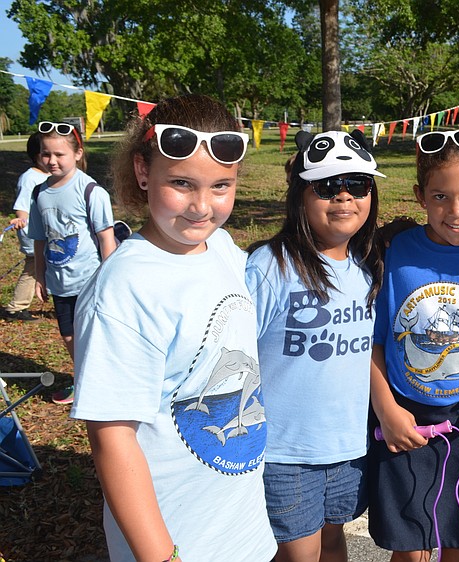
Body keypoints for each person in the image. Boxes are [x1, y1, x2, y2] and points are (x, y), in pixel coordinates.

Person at [70, 94, 276, 562]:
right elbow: (111, 435)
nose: (202, 207)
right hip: (177, 541)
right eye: (182, 183)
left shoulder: (222, 248)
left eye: (221, 186)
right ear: (143, 172)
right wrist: (161, 556)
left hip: (243, 531)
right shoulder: (124, 288)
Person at [369, 128, 459, 561]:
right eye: (440, 197)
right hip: (402, 415)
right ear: (419, 196)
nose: (456, 211)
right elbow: (373, 340)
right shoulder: (395, 252)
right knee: (410, 545)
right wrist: (386, 408)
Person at [245, 129, 384, 562]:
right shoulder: (270, 266)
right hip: (287, 452)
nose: (343, 197)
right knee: (297, 554)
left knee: (332, 540)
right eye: (326, 186)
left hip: (347, 446)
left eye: (357, 184)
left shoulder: (367, 267)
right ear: (301, 196)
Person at [27, 121, 117, 404]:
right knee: (69, 336)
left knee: (93, 336)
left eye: (59, 154)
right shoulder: (38, 193)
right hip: (59, 282)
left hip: (90, 280)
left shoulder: (91, 191)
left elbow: (106, 238)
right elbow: (40, 239)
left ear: (78, 154)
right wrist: (40, 277)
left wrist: (110, 278)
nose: (52, 161)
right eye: (45, 154)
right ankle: (85, 379)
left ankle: (98, 383)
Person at [3, 133, 49, 322]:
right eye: (47, 154)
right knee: (33, 269)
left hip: (49, 234)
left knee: (47, 267)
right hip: (33, 234)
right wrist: (21, 219)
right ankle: (16, 308)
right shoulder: (29, 178)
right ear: (37, 155)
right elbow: (22, 206)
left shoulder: (49, 176)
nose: (52, 159)